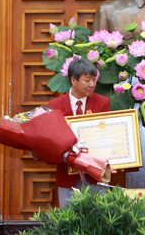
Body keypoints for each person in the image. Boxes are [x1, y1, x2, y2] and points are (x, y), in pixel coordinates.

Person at [48, 58, 111, 207]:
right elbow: (51, 141)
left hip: (96, 177)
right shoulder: (55, 105)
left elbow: (108, 136)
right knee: (68, 223)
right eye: (87, 80)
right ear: (73, 80)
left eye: (94, 80)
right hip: (67, 176)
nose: (92, 85)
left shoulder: (102, 102)